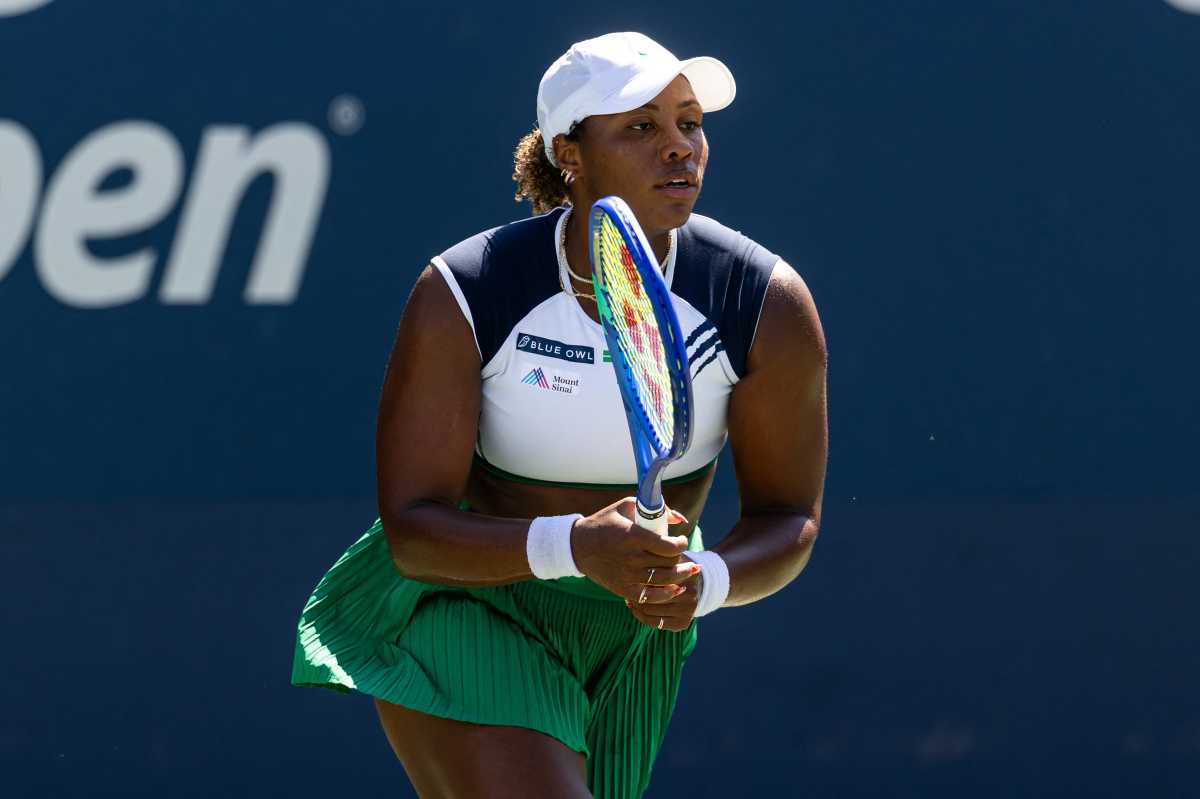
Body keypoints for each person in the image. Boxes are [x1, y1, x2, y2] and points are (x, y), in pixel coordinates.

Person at [292, 31, 827, 799]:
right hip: (467, 603)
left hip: (631, 634)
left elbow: (790, 517)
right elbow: (413, 531)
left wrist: (704, 581)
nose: (680, 147)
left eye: (689, 122)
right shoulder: (467, 291)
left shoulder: (764, 303)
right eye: (641, 128)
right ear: (568, 152)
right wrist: (577, 545)